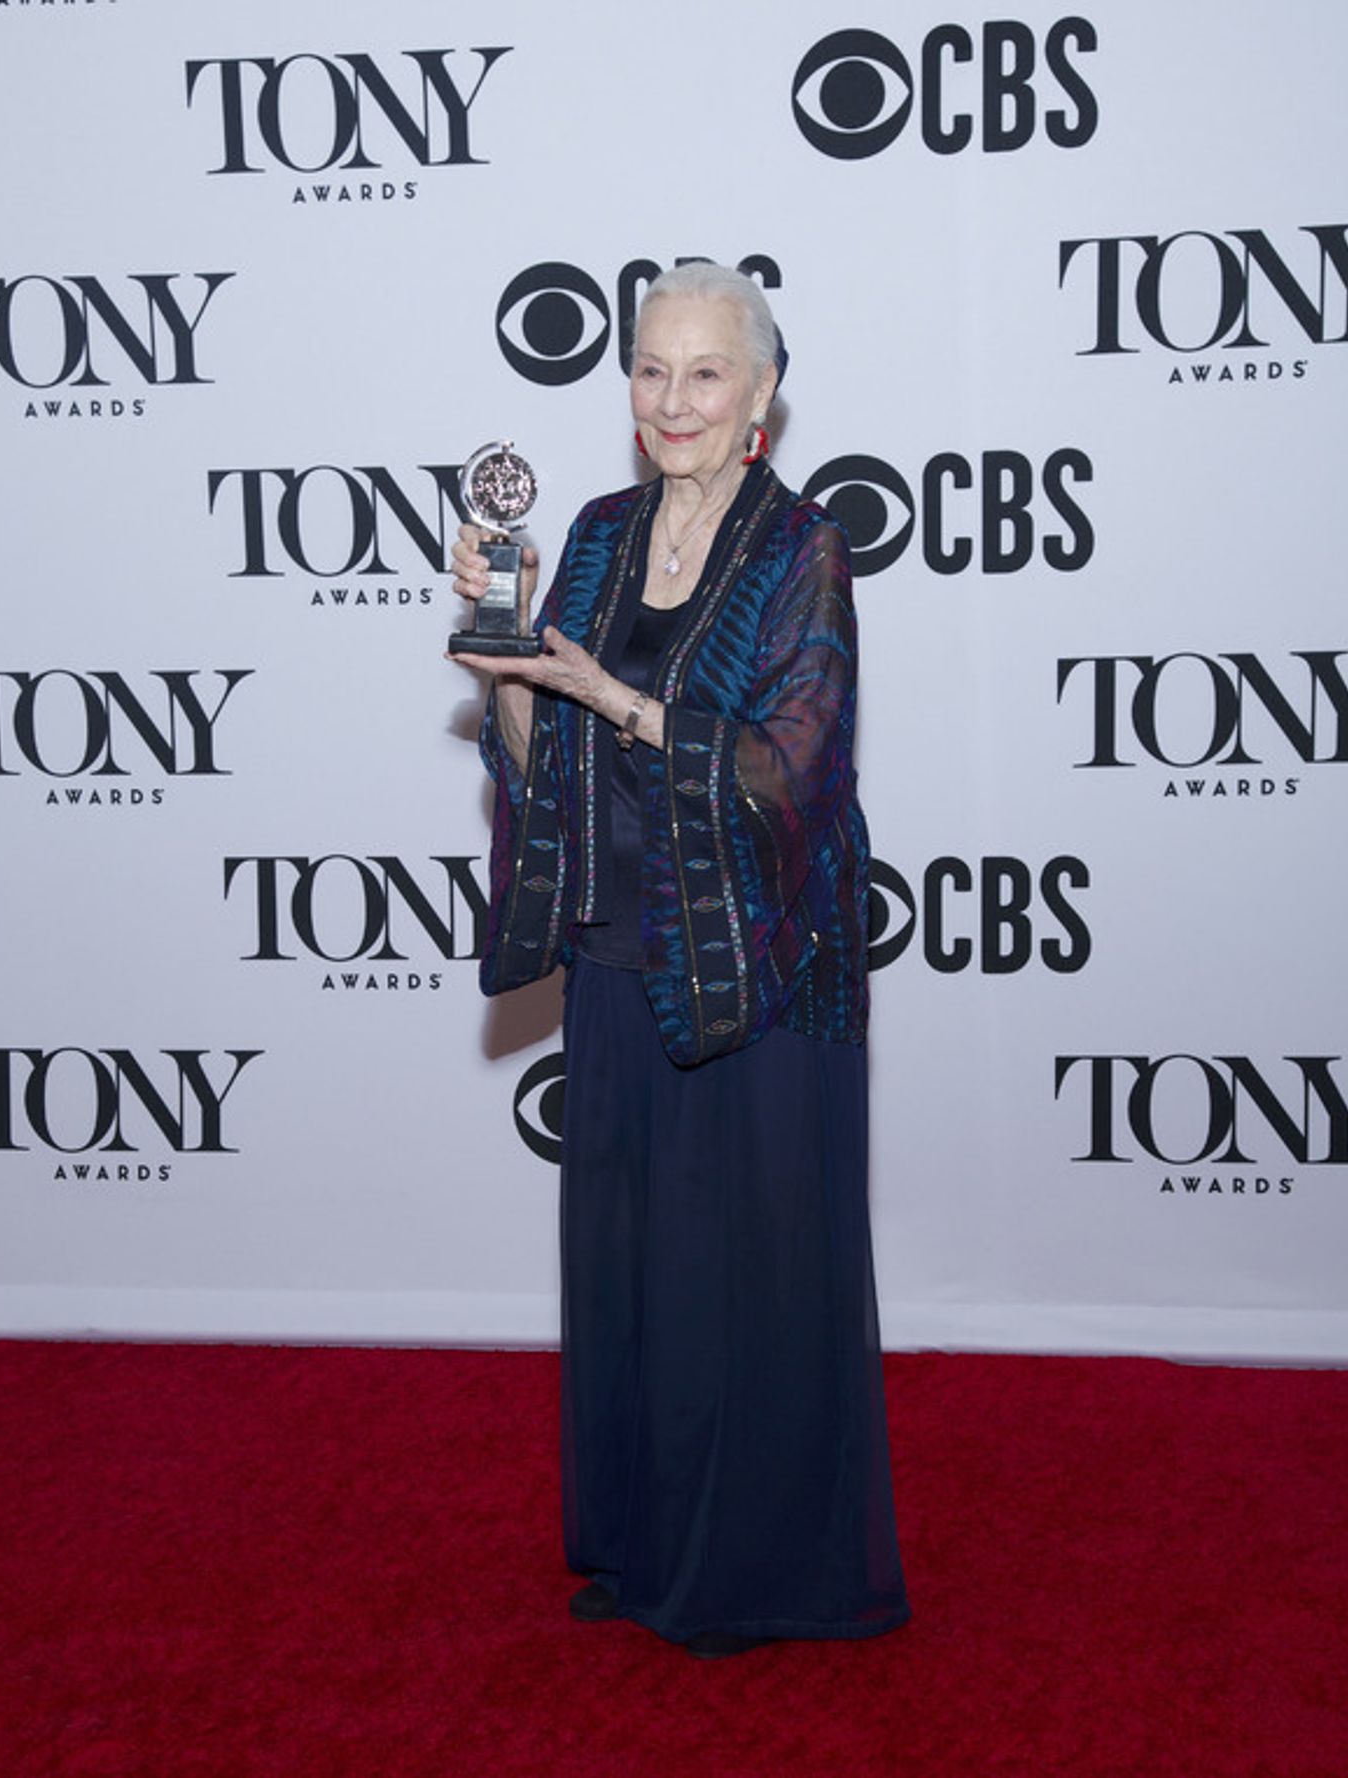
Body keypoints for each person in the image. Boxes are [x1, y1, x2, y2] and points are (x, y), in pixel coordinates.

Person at [450, 262, 909, 1658]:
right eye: (651, 368)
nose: (673, 399)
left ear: (762, 393)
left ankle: (768, 1569)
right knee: (639, 1265)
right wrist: (509, 676)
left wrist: (616, 693)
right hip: (618, 950)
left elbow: (787, 771)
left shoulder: (801, 548)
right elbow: (553, 773)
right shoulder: (587, 537)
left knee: (754, 1276)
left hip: (764, 968)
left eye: (705, 372)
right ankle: (648, 1545)